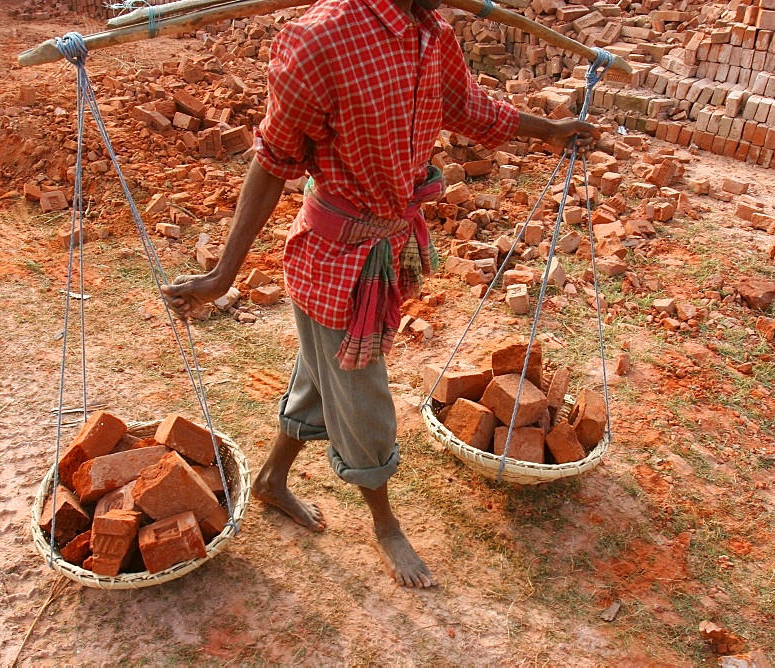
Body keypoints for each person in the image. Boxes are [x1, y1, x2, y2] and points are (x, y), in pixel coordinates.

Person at [162, 0, 600, 588]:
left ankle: (270, 480)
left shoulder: (432, 33)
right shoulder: (320, 42)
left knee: (320, 377)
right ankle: (386, 524)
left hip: (385, 252)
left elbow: (468, 107)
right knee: (364, 401)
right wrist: (221, 276)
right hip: (334, 264)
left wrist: (550, 131)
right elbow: (271, 164)